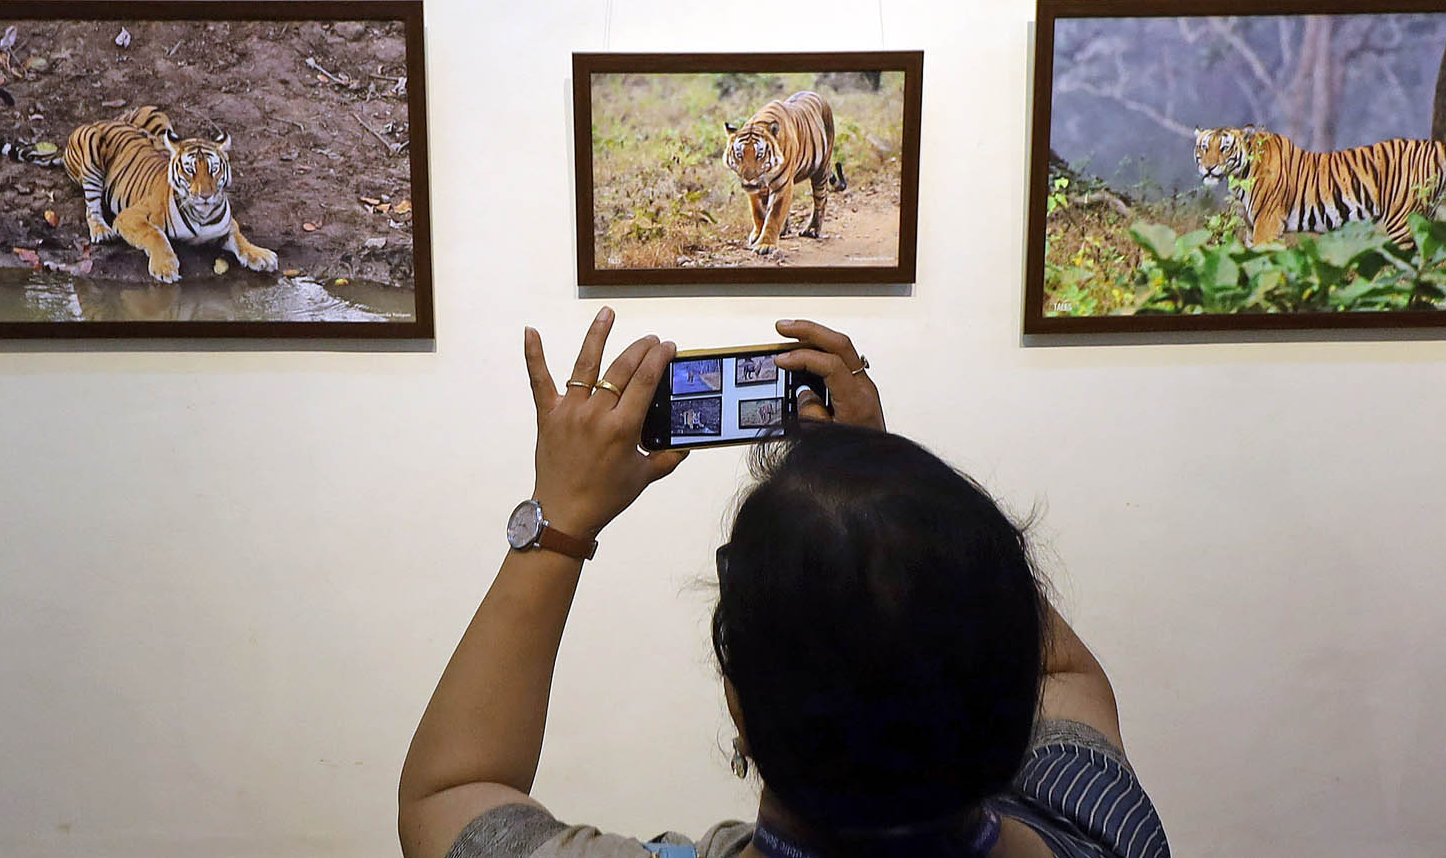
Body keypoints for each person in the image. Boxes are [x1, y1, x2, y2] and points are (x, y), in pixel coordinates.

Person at [399, 310, 1170, 858]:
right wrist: (883, 485)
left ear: (737, 692)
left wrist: (559, 520)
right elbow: (1066, 671)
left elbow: (450, 791)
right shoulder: (1101, 824)